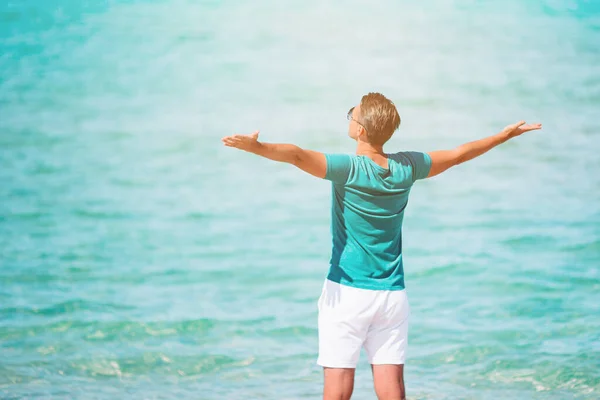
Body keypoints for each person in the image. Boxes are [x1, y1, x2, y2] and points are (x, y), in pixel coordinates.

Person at [221, 92, 542, 400]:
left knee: (338, 390)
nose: (350, 117)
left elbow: (296, 155)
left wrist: (257, 147)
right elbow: (458, 155)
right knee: (392, 390)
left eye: (353, 114)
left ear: (359, 130)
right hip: (392, 296)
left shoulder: (347, 169)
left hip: (347, 293)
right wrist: (503, 137)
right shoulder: (408, 167)